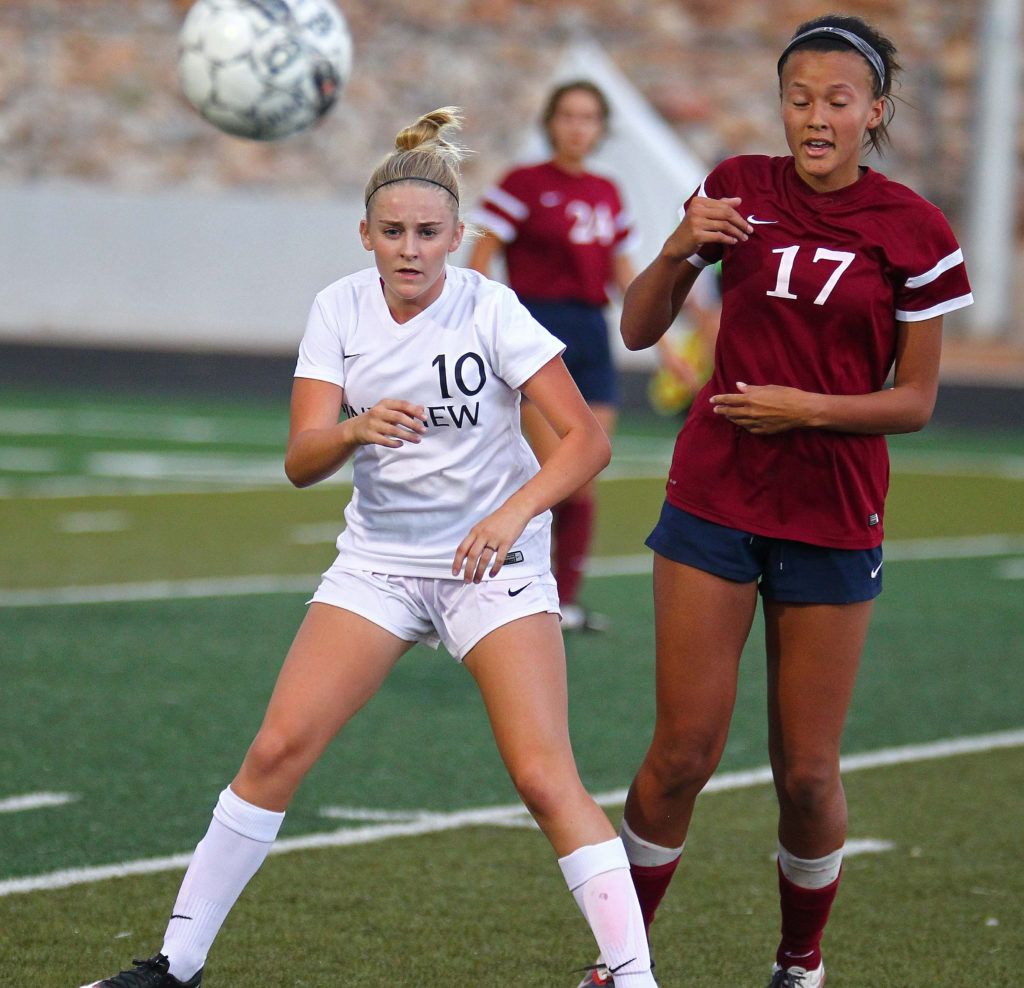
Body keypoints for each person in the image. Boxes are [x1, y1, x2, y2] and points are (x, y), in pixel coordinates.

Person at [80, 108, 657, 988]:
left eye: (429, 233)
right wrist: (353, 430)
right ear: (365, 235)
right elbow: (301, 461)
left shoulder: (491, 306)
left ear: (459, 237)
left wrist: (511, 517)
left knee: (545, 777)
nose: (411, 249)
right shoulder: (337, 308)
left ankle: (633, 977)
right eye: (393, 232)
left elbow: (585, 441)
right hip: (379, 565)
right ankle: (175, 964)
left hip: (489, 568)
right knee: (276, 750)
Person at [580, 15, 974, 988]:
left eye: (837, 101)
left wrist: (809, 408)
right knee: (679, 751)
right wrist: (678, 243)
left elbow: (916, 401)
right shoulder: (734, 185)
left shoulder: (914, 230)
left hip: (834, 510)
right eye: (798, 98)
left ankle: (799, 963)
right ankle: (622, 965)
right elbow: (636, 329)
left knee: (805, 772)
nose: (814, 117)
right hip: (714, 493)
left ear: (874, 111)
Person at [469, 80, 638, 632]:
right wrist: (488, 321)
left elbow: (622, 270)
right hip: (539, 331)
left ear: (601, 128)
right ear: (550, 122)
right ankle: (510, 593)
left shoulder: (609, 190)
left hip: (592, 333)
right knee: (551, 473)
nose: (577, 127)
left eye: (589, 117)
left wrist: (666, 337)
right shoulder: (524, 182)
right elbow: (482, 253)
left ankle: (562, 602)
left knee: (585, 474)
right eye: (567, 115)